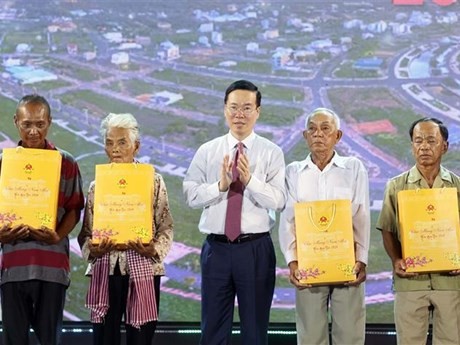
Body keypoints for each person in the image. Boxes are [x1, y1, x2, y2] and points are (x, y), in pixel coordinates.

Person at [183, 80, 286, 345]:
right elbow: (190, 195)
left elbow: (278, 199)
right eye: (234, 107)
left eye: (247, 108)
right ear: (224, 109)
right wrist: (220, 186)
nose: (240, 114)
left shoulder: (271, 152)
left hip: (255, 249)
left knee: (254, 330)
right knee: (213, 328)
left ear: (258, 111)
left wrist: (250, 180)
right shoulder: (207, 151)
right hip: (216, 249)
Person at [78, 113, 174, 345]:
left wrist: (154, 250)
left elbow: (166, 227)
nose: (115, 149)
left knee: (140, 337)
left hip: (143, 269)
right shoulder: (96, 186)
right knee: (104, 338)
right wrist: (92, 250)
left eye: (122, 143)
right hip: (106, 271)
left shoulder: (154, 181)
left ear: (136, 146)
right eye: (109, 143)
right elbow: (86, 233)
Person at [279, 107, 370, 345]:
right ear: (305, 136)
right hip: (309, 266)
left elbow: (361, 216)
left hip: (346, 264)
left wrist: (362, 258)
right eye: (312, 129)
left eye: (325, 128)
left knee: (350, 335)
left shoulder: (353, 168)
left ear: (337, 136)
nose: (318, 134)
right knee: (310, 336)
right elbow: (288, 220)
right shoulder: (293, 172)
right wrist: (293, 260)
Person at [0, 94, 85, 345]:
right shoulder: (4, 163)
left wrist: (58, 235)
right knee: (15, 340)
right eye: (27, 124)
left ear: (50, 122)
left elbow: (74, 209)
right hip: (13, 266)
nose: (34, 131)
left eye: (40, 123)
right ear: (16, 122)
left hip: (52, 268)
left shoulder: (66, 162)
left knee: (50, 339)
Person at [376, 117, 460, 345]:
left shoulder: (456, 186)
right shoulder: (396, 186)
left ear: (444, 146)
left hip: (451, 282)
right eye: (418, 140)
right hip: (410, 281)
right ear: (412, 145)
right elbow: (387, 228)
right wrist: (396, 260)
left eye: (431, 141)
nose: (424, 146)